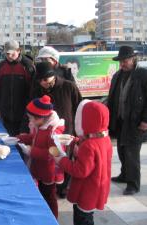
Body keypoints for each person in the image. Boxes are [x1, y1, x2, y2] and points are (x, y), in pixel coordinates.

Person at [54, 100, 112, 225]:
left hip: (87, 190)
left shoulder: (88, 145)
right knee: (86, 216)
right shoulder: (105, 139)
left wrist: (61, 160)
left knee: (83, 219)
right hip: (98, 186)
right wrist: (77, 142)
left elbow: (80, 171)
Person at [30, 62, 82, 198]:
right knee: (49, 158)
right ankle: (50, 185)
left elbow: (79, 108)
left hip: (66, 131)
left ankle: (63, 188)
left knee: (65, 159)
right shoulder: (37, 90)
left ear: (53, 75)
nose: (43, 83)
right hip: (46, 131)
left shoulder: (68, 86)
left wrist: (79, 131)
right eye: (40, 80)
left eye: (45, 80)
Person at [107, 46, 147, 195]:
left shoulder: (142, 74)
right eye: (121, 61)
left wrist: (145, 120)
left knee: (132, 154)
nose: (122, 63)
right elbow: (112, 98)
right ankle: (124, 175)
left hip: (136, 121)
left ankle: (133, 183)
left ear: (133, 59)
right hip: (120, 120)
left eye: (125, 60)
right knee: (122, 150)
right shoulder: (117, 75)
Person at [17, 95, 65, 219]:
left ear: (41, 118)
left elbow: (53, 153)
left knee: (49, 197)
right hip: (38, 167)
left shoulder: (53, 132)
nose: (30, 121)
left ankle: (53, 219)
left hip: (49, 172)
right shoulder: (38, 126)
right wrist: (19, 138)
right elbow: (33, 138)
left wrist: (32, 151)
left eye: (31, 118)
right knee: (41, 195)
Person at [0, 40, 35, 136]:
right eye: (7, 54)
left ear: (19, 50)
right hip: (5, 113)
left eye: (12, 54)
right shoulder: (0, 67)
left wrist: (31, 110)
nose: (9, 56)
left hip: (24, 113)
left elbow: (33, 90)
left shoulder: (28, 66)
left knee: (23, 142)